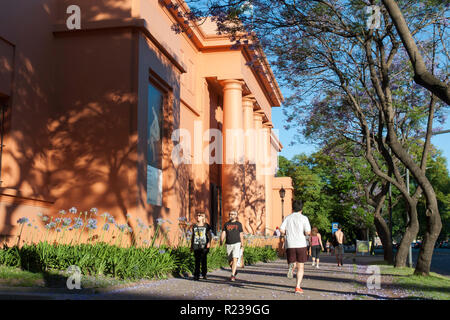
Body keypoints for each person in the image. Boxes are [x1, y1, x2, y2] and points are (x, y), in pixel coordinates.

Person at [280, 199, 311, 294]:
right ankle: (297, 287)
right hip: (301, 243)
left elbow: (281, 229)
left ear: (292, 208)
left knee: (292, 261)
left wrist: (287, 233)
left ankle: (291, 267)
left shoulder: (287, 218)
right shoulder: (304, 218)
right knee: (301, 266)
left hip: (290, 244)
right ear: (301, 208)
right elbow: (308, 232)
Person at [220, 210, 244, 282]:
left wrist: (242, 244)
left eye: (233, 214)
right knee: (230, 261)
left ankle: (232, 275)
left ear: (236, 216)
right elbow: (224, 233)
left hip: (237, 243)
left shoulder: (239, 224)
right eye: (230, 214)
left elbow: (241, 234)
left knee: (235, 258)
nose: (231, 215)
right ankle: (234, 270)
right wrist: (221, 240)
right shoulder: (226, 224)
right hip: (228, 243)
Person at [190, 212, 212, 280]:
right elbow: (193, 235)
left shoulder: (206, 226)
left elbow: (210, 235)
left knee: (203, 259)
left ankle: (204, 273)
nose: (198, 217)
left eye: (200, 215)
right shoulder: (194, 226)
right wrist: (191, 246)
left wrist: (209, 243)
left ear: (203, 217)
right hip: (196, 244)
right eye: (197, 215)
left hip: (204, 244)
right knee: (197, 260)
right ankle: (196, 275)